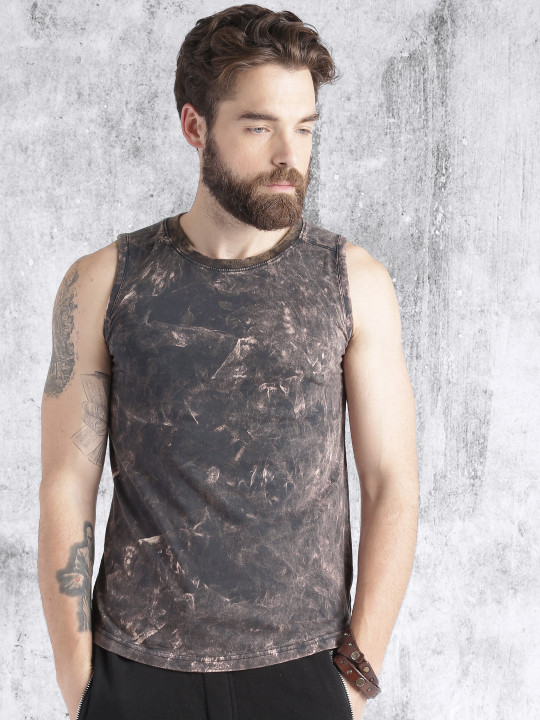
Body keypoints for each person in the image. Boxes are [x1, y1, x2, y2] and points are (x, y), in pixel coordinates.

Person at [38, 4, 419, 719]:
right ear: (195, 127)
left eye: (304, 128)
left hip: (303, 671)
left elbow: (391, 481)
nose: (288, 154)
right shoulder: (102, 283)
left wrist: (354, 678)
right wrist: (78, 679)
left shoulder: (353, 282)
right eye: (258, 126)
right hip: (134, 671)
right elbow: (67, 482)